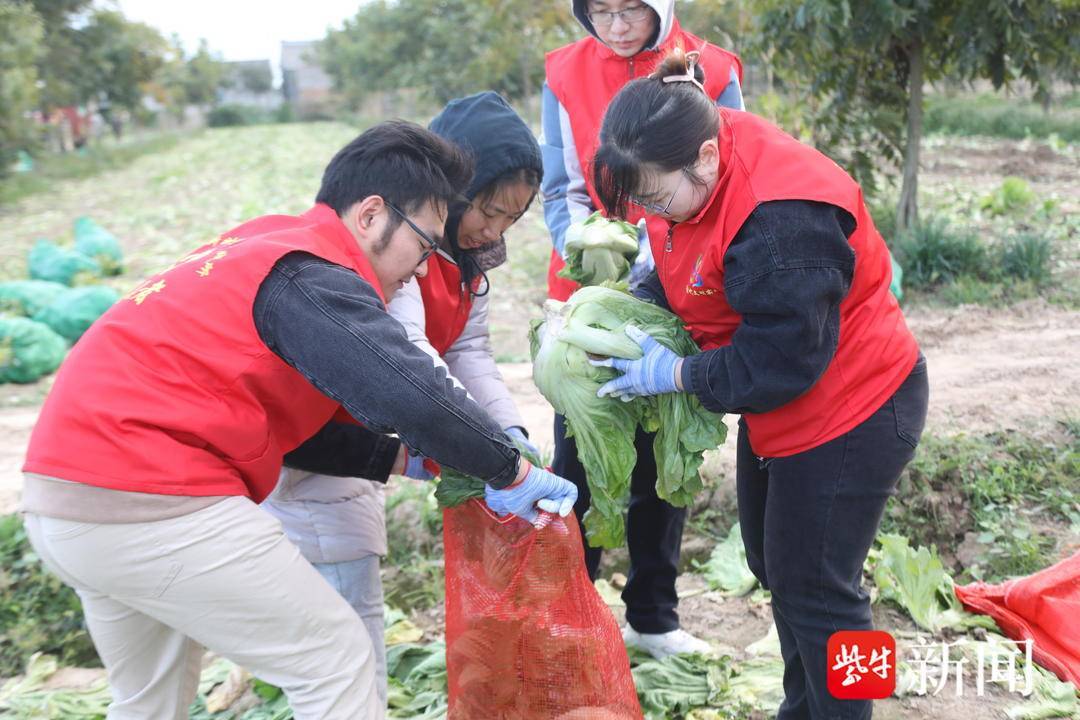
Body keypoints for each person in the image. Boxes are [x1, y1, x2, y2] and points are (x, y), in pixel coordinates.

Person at [20, 120, 578, 720]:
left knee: (151, 701)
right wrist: (511, 470)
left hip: (65, 503)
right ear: (371, 215)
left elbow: (284, 433)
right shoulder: (310, 274)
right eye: (423, 246)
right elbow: (405, 389)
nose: (422, 270)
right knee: (336, 660)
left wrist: (402, 457)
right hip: (154, 499)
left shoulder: (264, 243)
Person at [589, 50, 929, 720]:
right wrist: (637, 302)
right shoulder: (688, 156)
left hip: (855, 404)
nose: (655, 213)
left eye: (658, 199)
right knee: (780, 571)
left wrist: (678, 373)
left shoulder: (781, 221)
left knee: (821, 588)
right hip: (784, 406)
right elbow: (685, 255)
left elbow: (782, 358)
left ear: (706, 156)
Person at [261, 91, 544, 705]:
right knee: (346, 639)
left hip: (361, 443)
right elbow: (409, 363)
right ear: (452, 190)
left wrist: (509, 434)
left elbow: (470, 351)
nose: (493, 230)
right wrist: (490, 455)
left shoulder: (469, 263)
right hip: (321, 445)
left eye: (511, 219)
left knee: (342, 623)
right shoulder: (400, 252)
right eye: (487, 210)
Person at [540, 0, 743, 658]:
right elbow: (560, 188)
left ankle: (653, 618)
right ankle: (571, 619)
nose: (617, 26)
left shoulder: (713, 69)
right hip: (592, 299)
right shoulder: (564, 72)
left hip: (683, 290)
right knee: (581, 455)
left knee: (667, 454)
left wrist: (658, 252)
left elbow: (729, 177)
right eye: (600, 10)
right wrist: (589, 245)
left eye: (631, 8)